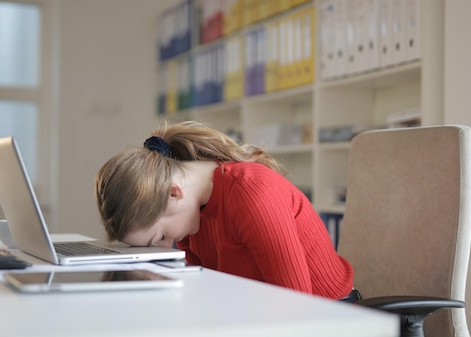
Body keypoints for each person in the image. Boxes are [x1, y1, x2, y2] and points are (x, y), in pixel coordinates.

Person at [94, 120, 355, 300]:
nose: (165, 247)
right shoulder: (190, 214)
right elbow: (210, 291)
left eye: (160, 237)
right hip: (263, 314)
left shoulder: (251, 192)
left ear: (174, 193)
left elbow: (295, 306)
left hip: (329, 319)